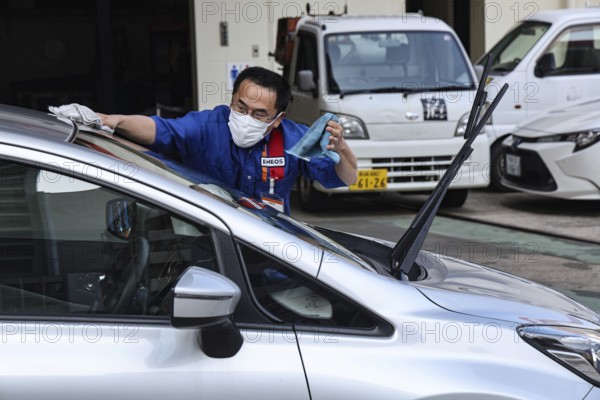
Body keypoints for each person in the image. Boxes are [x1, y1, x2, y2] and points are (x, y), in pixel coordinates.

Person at [98, 66, 357, 214]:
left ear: (277, 118)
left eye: (259, 114)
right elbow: (160, 129)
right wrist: (116, 120)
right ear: (232, 101)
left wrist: (342, 150)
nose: (246, 118)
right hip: (209, 246)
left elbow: (345, 178)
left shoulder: (292, 138)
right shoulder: (207, 126)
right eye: (241, 108)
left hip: (273, 251)